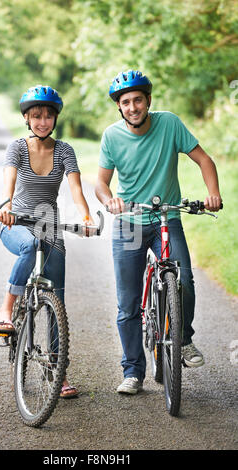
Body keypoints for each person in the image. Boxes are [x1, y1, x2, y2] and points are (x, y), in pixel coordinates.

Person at [95, 69, 222, 394]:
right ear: (119, 107)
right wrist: (110, 201)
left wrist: (213, 193)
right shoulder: (112, 136)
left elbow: (205, 161)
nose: (133, 106)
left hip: (166, 218)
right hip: (131, 223)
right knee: (128, 304)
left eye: (138, 99)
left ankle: (184, 340)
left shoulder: (169, 124)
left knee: (185, 279)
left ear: (148, 101)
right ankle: (133, 371)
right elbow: (101, 183)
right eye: (126, 102)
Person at [0, 84, 95, 398]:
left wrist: (86, 216)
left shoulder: (64, 150)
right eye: (36, 115)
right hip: (16, 224)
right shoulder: (17, 148)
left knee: (56, 304)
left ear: (55, 119)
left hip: (50, 228)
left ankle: (57, 371)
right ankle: (6, 311)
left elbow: (77, 189)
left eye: (48, 116)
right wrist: (7, 206)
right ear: (27, 118)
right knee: (28, 246)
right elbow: (9, 181)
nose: (42, 121)